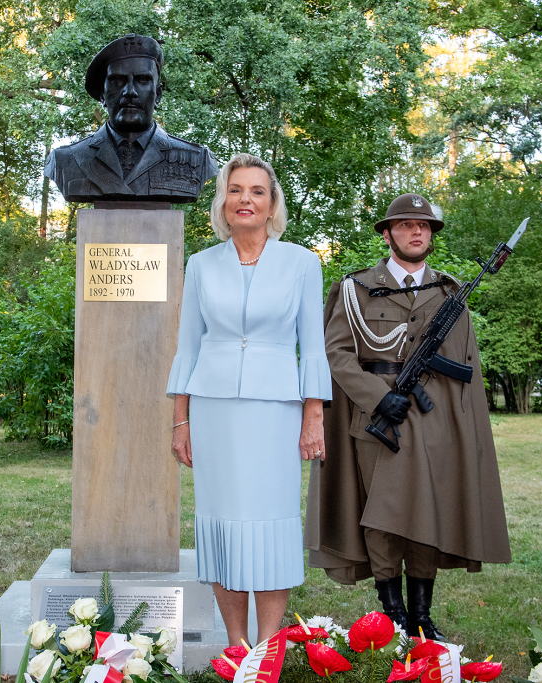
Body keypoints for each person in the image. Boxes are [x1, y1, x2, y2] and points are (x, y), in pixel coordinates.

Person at [304, 193, 511, 641]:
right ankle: (392, 613)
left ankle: (421, 616)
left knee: (424, 517)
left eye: (425, 226)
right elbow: (335, 354)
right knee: (381, 517)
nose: (417, 231)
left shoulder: (450, 290)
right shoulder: (355, 289)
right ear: (387, 233)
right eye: (405, 224)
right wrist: (378, 398)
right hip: (374, 419)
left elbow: (463, 361)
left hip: (432, 423)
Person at [167, 153, 331, 646]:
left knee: (271, 524)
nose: (246, 199)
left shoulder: (302, 263)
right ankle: (236, 644)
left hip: (275, 411)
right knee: (221, 524)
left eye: (257, 191)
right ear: (223, 201)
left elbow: (313, 348)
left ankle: (267, 646)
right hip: (214, 411)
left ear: (272, 203)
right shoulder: (200, 264)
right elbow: (188, 347)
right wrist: (181, 421)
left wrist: (313, 416)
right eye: (236, 190)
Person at [44, 34, 218, 204]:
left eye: (142, 80)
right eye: (117, 80)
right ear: (103, 96)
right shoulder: (66, 159)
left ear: (157, 95)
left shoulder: (198, 159)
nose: (130, 92)